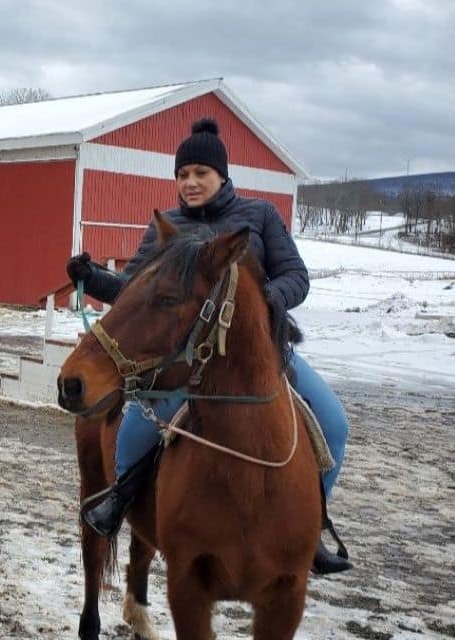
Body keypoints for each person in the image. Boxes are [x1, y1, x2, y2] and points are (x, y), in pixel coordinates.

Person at [67, 118, 352, 574]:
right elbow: (132, 289)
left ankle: (310, 527)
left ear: (222, 175)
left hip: (261, 358)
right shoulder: (167, 227)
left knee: (335, 426)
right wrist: (91, 276)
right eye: (182, 174)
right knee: (132, 436)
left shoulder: (258, 216)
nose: (190, 182)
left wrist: (262, 307)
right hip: (187, 365)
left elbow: (296, 276)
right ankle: (120, 502)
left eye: (200, 172)